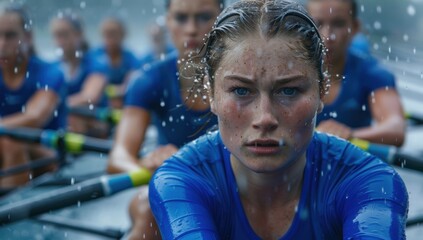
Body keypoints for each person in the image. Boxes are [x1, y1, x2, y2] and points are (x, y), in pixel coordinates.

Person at [149, 1, 408, 239]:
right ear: (211, 94)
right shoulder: (179, 180)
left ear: (322, 91)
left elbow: (396, 129)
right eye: (241, 90)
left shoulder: (374, 184)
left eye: (288, 91)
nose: (265, 118)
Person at [107, 0, 223, 238]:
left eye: (203, 17)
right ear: (168, 21)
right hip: (172, 184)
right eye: (181, 18)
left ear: (222, 19)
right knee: (149, 209)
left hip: (230, 185)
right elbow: (118, 159)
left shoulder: (245, 75)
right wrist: (150, 167)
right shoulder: (149, 80)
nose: (191, 29)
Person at [306, 0, 406, 147]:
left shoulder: (372, 73)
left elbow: (396, 130)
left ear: (354, 28)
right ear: (304, 25)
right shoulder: (285, 68)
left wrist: (350, 134)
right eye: (318, 23)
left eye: (338, 24)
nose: (328, 35)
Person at [0, 5, 66, 187]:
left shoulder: (50, 72)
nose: (2, 44)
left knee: (11, 142)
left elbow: (34, 118)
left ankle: (10, 212)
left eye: (10, 36)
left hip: (49, 154)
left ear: (27, 37)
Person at [50, 11, 109, 137]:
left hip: (95, 125)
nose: (60, 41)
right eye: (56, 36)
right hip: (66, 123)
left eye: (64, 35)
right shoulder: (52, 67)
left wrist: (47, 106)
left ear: (79, 35)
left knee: (74, 117)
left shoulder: (96, 64)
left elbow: (89, 97)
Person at [92, 16, 139, 109]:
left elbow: (129, 87)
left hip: (123, 106)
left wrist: (107, 91)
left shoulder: (131, 59)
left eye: (113, 33)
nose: (109, 38)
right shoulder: (94, 56)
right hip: (98, 108)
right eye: (106, 34)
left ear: (123, 35)